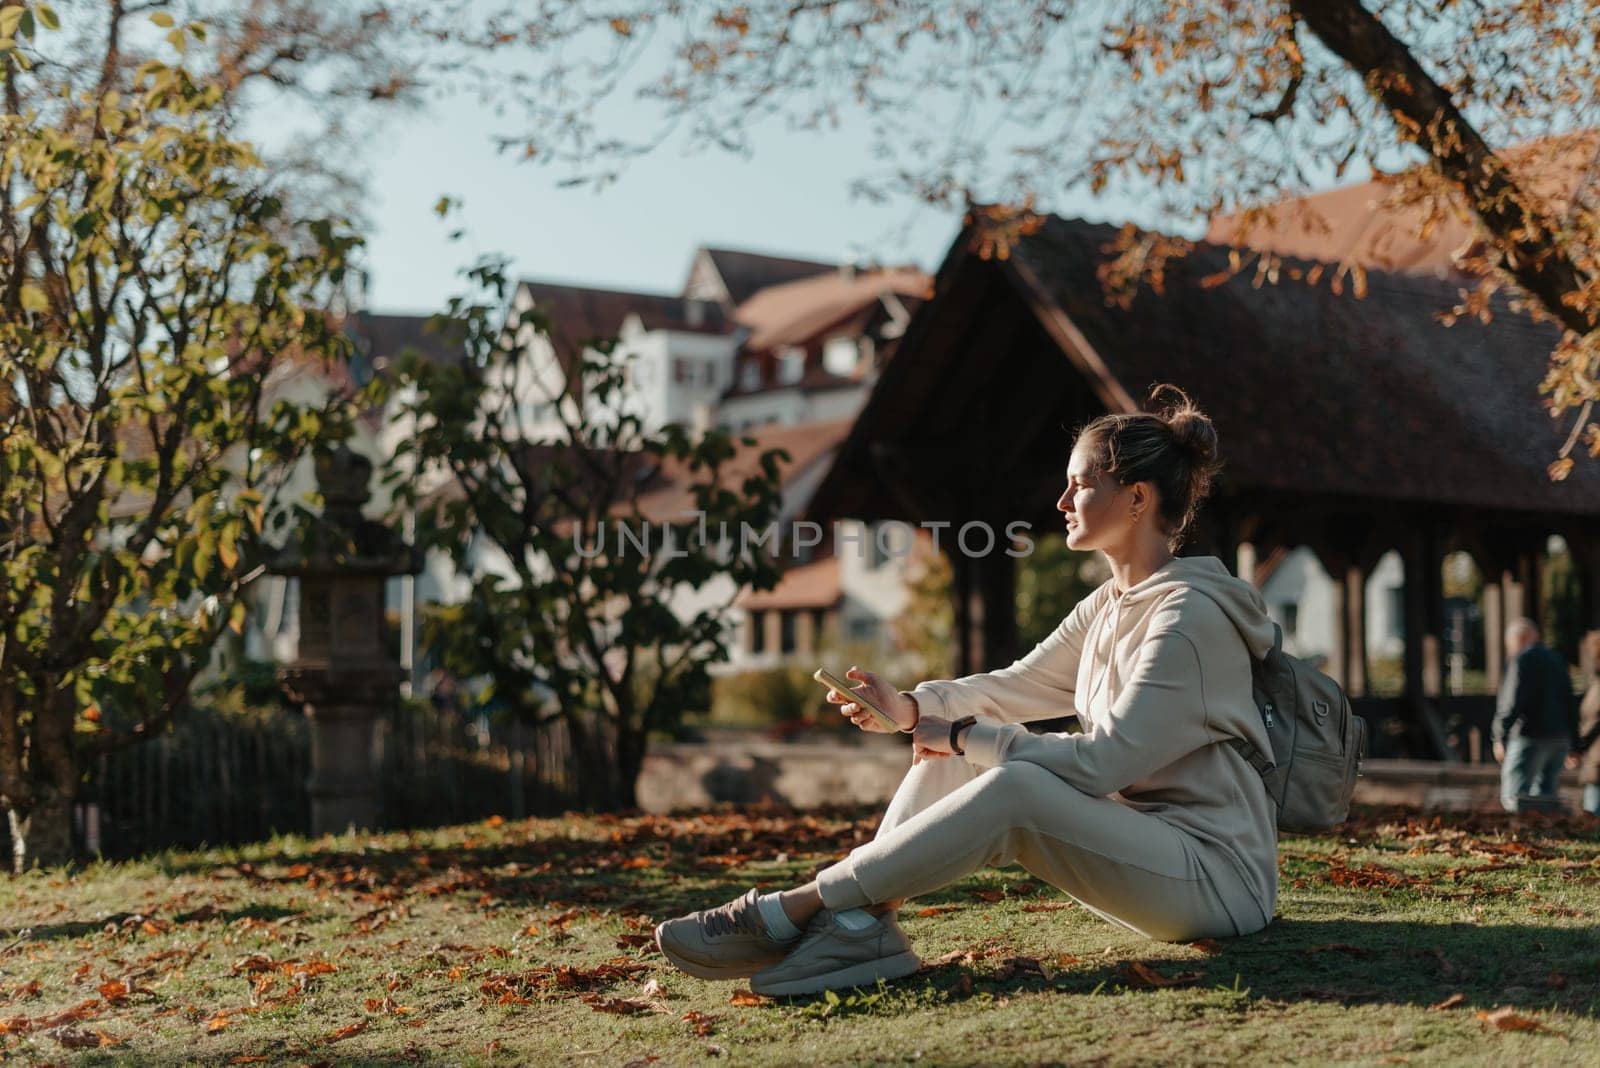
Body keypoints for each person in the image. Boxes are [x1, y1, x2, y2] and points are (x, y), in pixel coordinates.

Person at [655, 384, 1280, 996]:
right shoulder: (1110, 606)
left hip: (1216, 878)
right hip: (1148, 852)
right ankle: (863, 924)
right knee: (968, 750)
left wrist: (966, 736)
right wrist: (912, 710)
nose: (1062, 500)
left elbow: (1103, 762)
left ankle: (797, 908)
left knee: (1011, 778)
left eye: (1081, 484)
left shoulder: (1188, 618)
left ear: (1137, 498)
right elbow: (1015, 687)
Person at [1493, 618, 1580, 812]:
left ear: (1519, 638)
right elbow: (1570, 703)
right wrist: (1575, 742)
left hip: (1529, 736)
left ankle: (1521, 837)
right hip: (1560, 737)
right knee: (1547, 796)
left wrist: (1499, 735)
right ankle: (1552, 836)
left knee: (1513, 797)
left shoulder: (1521, 660)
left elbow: (1510, 702)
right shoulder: (1557, 660)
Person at [1574, 630, 1600, 817]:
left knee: (1593, 812)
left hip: (1597, 758)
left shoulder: (1598, 685)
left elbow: (1594, 718)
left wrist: (1577, 746)